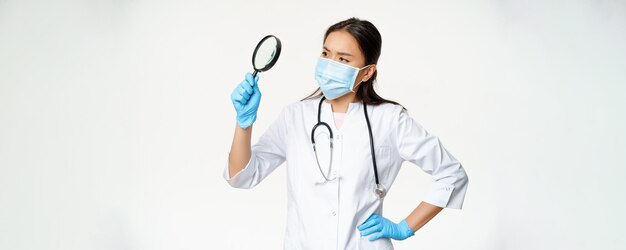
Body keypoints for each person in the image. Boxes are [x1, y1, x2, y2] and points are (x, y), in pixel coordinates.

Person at [225, 17, 469, 249]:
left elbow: (450, 173)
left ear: (367, 72)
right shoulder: (295, 116)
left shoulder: (390, 119)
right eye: (325, 53)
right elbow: (242, 176)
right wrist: (243, 123)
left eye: (343, 59)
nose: (330, 64)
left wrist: (405, 227)